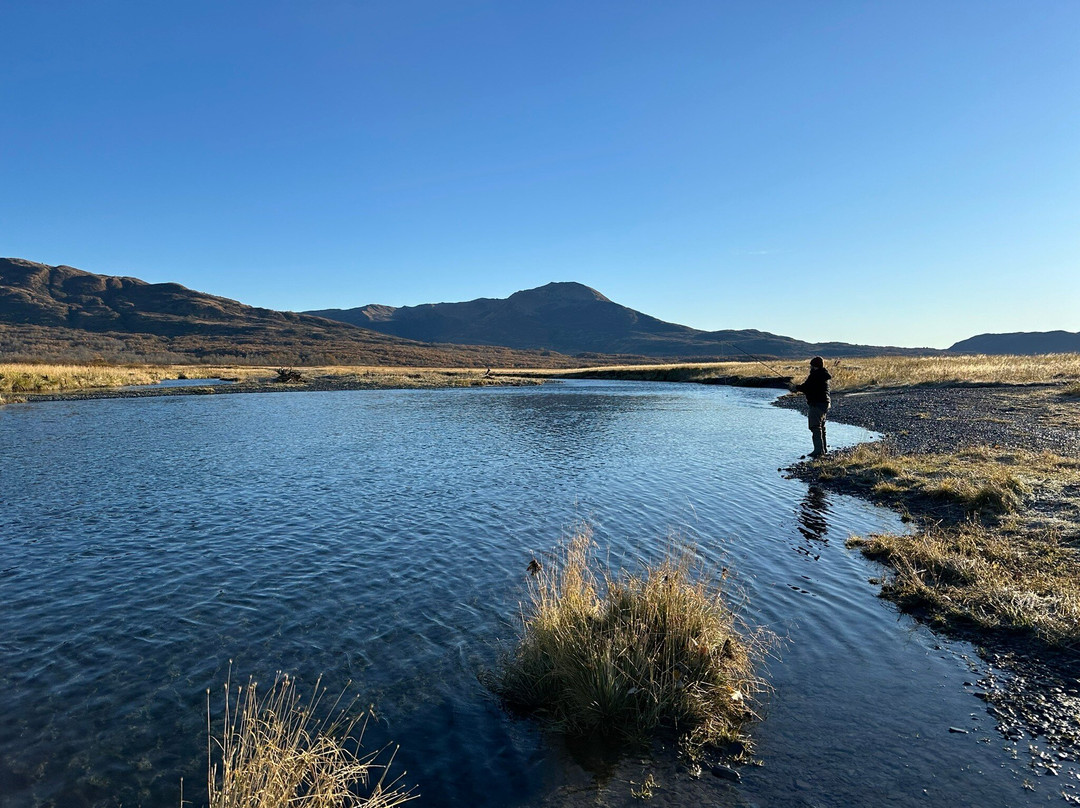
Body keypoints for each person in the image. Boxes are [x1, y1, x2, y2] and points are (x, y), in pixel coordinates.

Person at [793, 356, 831, 458]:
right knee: (821, 427)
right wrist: (801, 388)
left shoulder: (815, 375)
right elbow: (811, 387)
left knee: (815, 426)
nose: (810, 367)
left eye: (812, 366)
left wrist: (797, 388)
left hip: (816, 404)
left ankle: (818, 451)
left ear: (815, 366)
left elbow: (808, 387)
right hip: (825, 403)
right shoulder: (823, 374)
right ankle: (823, 449)